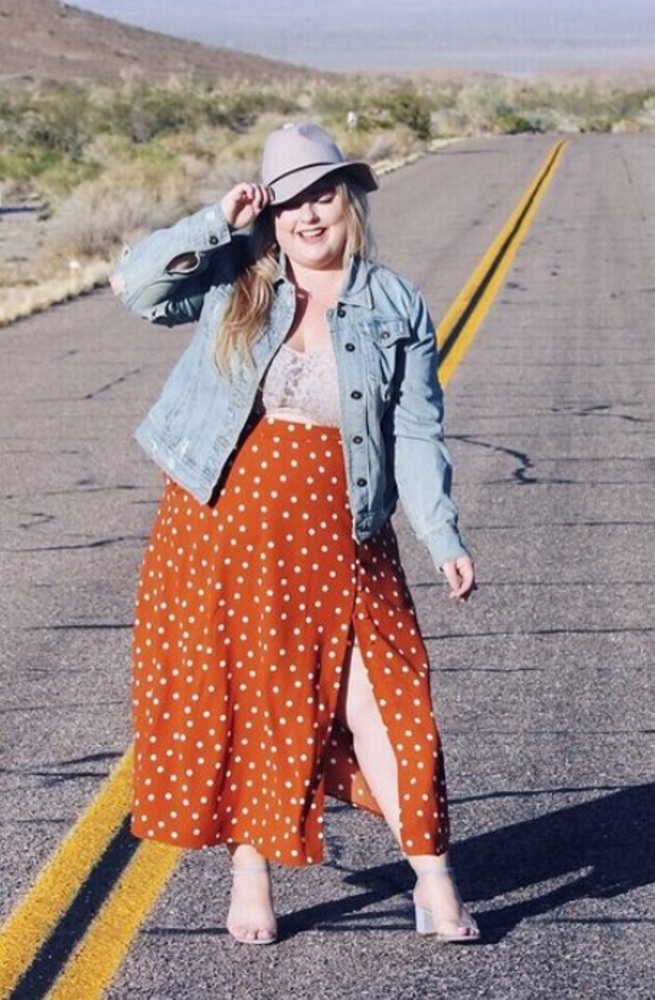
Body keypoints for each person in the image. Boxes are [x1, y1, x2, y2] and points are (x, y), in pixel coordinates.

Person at [111, 122, 479, 945]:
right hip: (221, 526)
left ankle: (433, 876)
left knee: (390, 703)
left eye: (322, 195)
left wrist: (441, 534)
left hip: (345, 532)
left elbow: (417, 431)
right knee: (250, 701)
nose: (309, 216)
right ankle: (251, 875)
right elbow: (134, 287)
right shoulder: (236, 276)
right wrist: (217, 219)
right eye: (290, 201)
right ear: (269, 212)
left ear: (348, 200)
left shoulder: (395, 304)